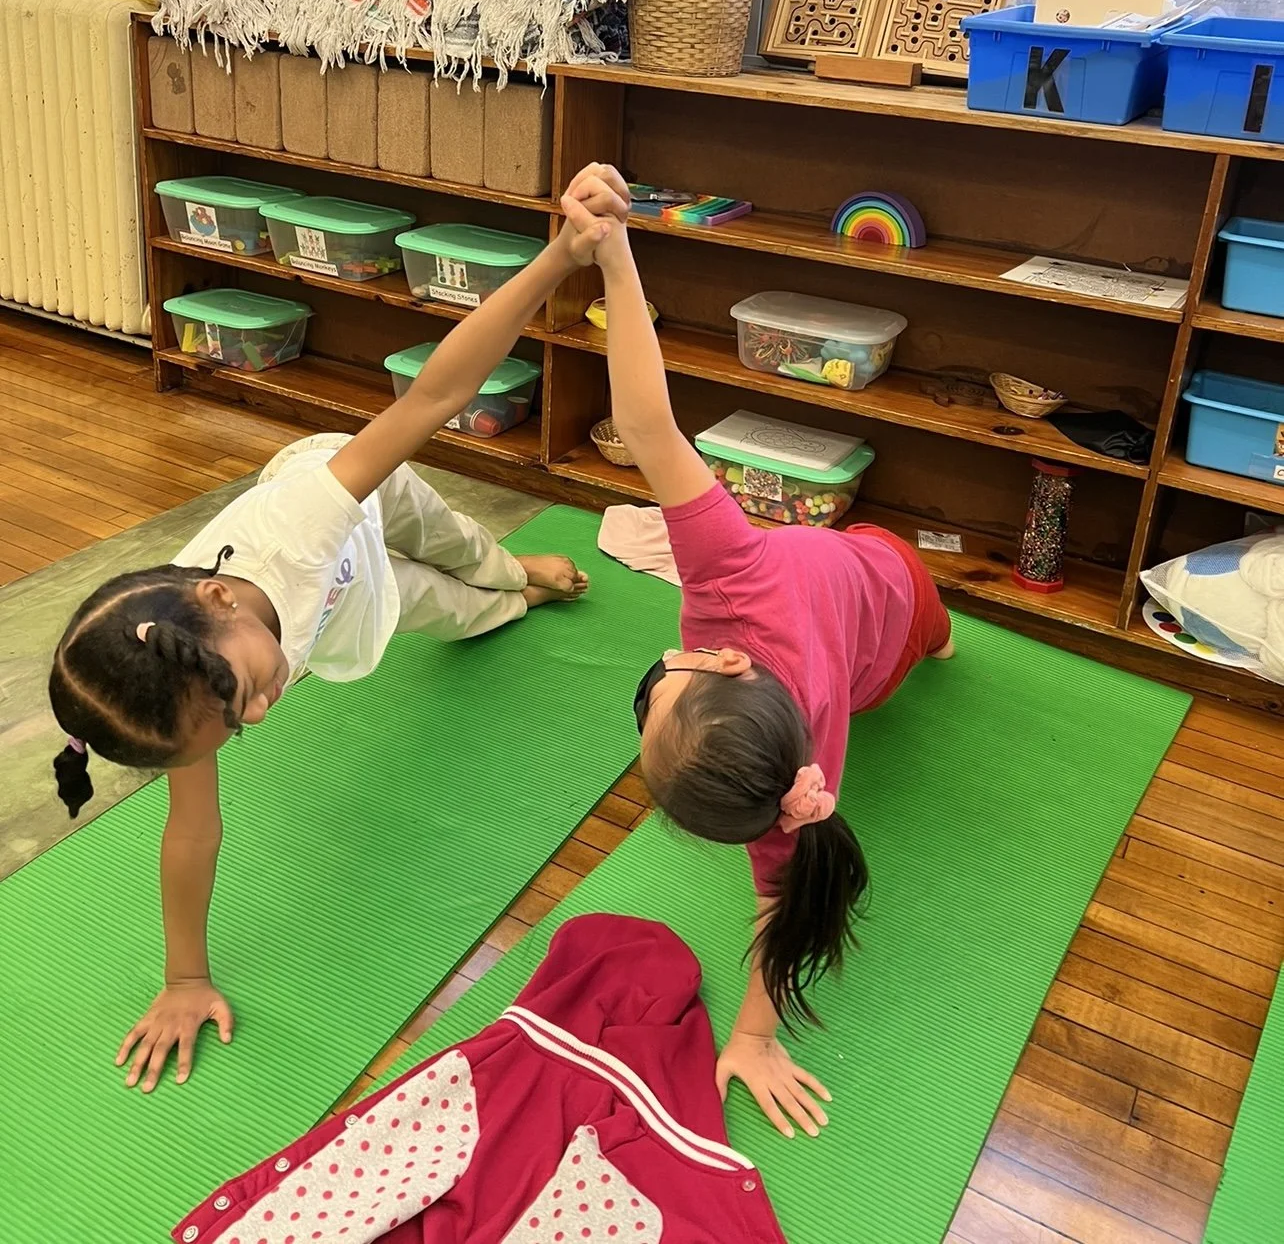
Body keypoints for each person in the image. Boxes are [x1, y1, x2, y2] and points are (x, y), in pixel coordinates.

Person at [47, 164, 631, 1094]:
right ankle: (516, 596)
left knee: (468, 550)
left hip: (351, 499)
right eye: (235, 727)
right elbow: (193, 833)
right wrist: (184, 976)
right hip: (357, 600)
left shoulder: (296, 529)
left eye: (242, 701)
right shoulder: (180, 689)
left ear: (222, 602)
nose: (259, 718)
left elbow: (436, 396)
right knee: (465, 614)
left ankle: (520, 570)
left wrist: (560, 256)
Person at [561, 168, 953, 1141]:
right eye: (666, 683)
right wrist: (755, 1037)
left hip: (889, 592)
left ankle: (942, 641)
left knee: (938, 639)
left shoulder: (741, 608)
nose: (663, 664)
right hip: (881, 606)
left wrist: (615, 257)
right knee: (924, 640)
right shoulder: (736, 588)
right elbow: (788, 907)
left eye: (654, 692)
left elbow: (645, 424)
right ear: (725, 666)